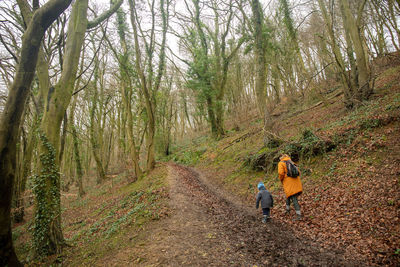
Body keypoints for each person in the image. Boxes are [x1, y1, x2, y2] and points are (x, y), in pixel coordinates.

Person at [278, 154, 303, 220]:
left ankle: (299, 216)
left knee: (293, 198)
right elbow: (299, 172)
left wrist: (281, 179)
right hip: (296, 182)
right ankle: (287, 210)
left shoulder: (281, 163)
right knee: (288, 195)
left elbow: (281, 173)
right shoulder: (291, 162)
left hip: (289, 183)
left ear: (281, 158)